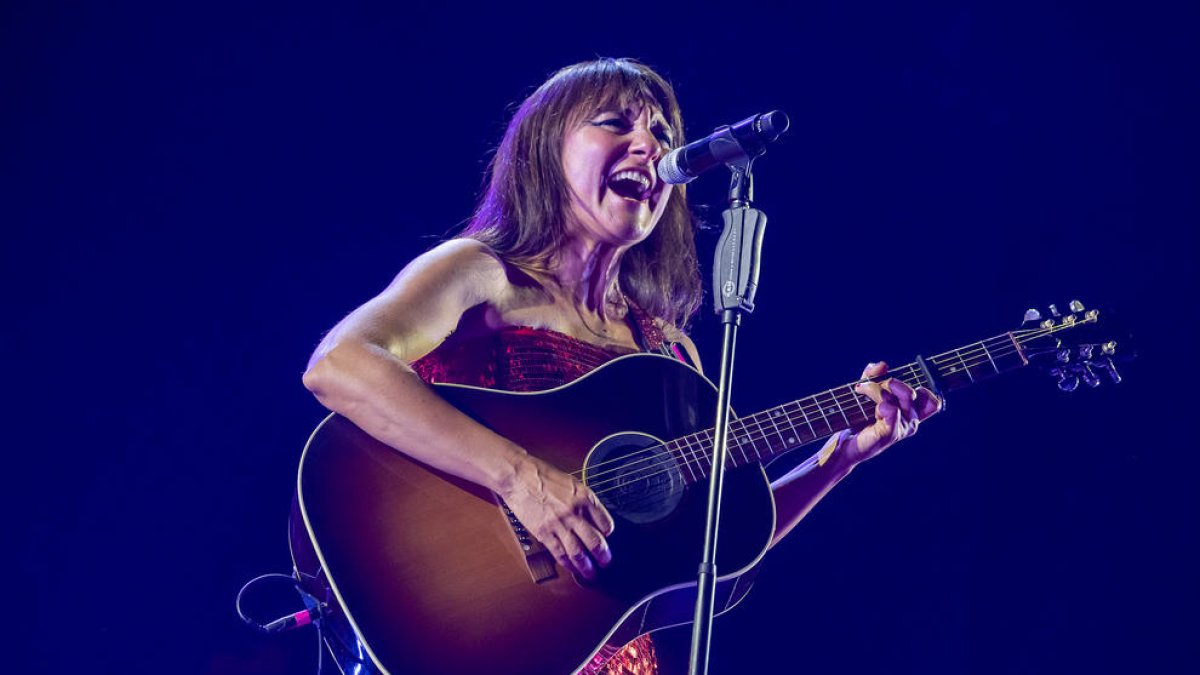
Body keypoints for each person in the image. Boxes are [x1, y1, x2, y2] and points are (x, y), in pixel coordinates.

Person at [301, 57, 940, 674]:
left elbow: (708, 550)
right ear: (546, 150)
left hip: (609, 656)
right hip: (473, 619)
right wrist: (522, 478)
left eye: (662, 134)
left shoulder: (667, 351)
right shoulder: (480, 274)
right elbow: (340, 365)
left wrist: (839, 457)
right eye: (615, 123)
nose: (648, 145)